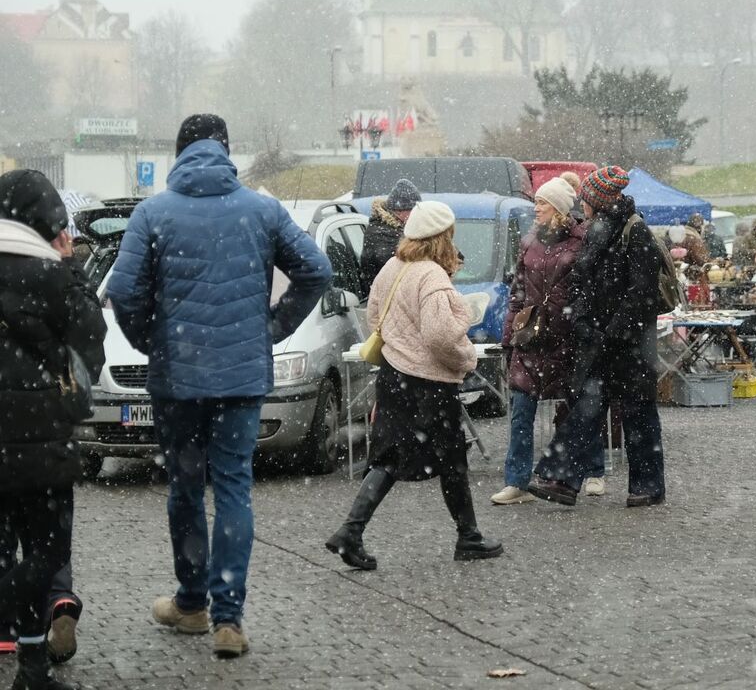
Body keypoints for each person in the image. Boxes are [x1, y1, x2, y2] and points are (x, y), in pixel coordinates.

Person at [106, 115, 332, 657]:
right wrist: (271, 328)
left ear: (179, 152)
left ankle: (191, 604)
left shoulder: (152, 212)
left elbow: (123, 291)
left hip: (177, 379)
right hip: (240, 376)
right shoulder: (262, 209)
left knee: (186, 488)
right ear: (226, 152)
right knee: (234, 487)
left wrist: (151, 342)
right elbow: (317, 271)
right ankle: (229, 620)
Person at [326, 201, 503, 568]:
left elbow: (375, 314)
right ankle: (467, 537)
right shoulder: (432, 277)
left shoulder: (394, 267)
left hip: (394, 377)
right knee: (452, 460)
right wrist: (467, 358)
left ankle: (351, 531)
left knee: (389, 457)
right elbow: (441, 336)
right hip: (429, 385)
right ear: (442, 237)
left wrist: (401, 342)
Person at [0, 170, 105, 690]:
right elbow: (91, 338)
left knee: (7, 550)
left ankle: (31, 662)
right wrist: (72, 268)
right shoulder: (53, 276)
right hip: (41, 445)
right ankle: (32, 669)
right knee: (45, 555)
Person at [529, 166, 667, 507]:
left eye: (586, 199)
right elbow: (583, 281)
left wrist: (613, 330)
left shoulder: (636, 233)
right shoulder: (597, 230)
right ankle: (562, 481)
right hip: (601, 341)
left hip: (631, 345)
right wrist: (581, 319)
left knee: (638, 414)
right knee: (585, 409)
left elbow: (642, 293)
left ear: (598, 201)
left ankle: (647, 487)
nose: (582, 205)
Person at [493, 178, 587, 505]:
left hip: (567, 339)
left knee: (574, 412)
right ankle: (516, 481)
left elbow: (588, 289)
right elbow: (517, 293)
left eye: (543, 203)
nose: (537, 207)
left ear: (559, 208)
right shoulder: (529, 242)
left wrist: (579, 323)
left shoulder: (582, 241)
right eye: (537, 202)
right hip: (530, 338)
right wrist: (509, 338)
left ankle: (580, 473)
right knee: (521, 411)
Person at [360, 178, 420, 293]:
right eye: (413, 210)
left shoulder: (399, 229)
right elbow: (400, 262)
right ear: (400, 211)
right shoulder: (380, 232)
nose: (416, 214)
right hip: (385, 296)